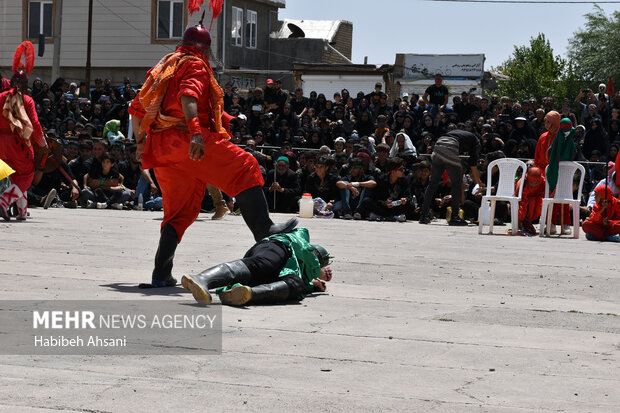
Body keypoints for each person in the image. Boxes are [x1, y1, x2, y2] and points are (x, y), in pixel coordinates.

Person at [128, 15, 296, 288]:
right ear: (204, 49)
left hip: (161, 148)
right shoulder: (194, 64)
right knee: (247, 165)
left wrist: (139, 143)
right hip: (188, 141)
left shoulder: (166, 65)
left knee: (178, 212)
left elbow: (136, 108)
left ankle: (160, 275)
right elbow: (188, 97)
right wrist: (195, 131)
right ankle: (264, 229)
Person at [181, 228, 333, 306]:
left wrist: (312, 285)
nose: (316, 260)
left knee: (296, 285)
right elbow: (305, 250)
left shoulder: (300, 272)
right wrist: (317, 270)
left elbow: (300, 283)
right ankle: (202, 279)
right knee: (264, 265)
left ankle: (246, 294)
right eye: (318, 257)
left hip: (277, 271)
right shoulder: (301, 236)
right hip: (276, 247)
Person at [0, 42, 47, 221]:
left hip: (1, 144)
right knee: (26, 175)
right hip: (18, 142)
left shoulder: (1, 97)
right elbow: (34, 124)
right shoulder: (27, 101)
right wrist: (42, 144)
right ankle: (4, 201)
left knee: (15, 176)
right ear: (26, 86)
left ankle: (21, 211)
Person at [419, 130, 482, 225]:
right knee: (457, 184)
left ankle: (423, 216)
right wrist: (477, 180)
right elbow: (473, 161)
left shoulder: (460, 134)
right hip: (450, 146)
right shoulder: (475, 141)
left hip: (438, 146)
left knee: (432, 184)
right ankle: (455, 217)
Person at [515, 166, 545, 235]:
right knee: (522, 211)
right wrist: (521, 218)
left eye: (536, 183)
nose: (534, 185)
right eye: (531, 182)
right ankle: (521, 224)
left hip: (535, 198)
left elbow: (547, 196)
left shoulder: (543, 181)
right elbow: (520, 202)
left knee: (541, 205)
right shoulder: (522, 183)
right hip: (523, 199)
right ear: (527, 178)